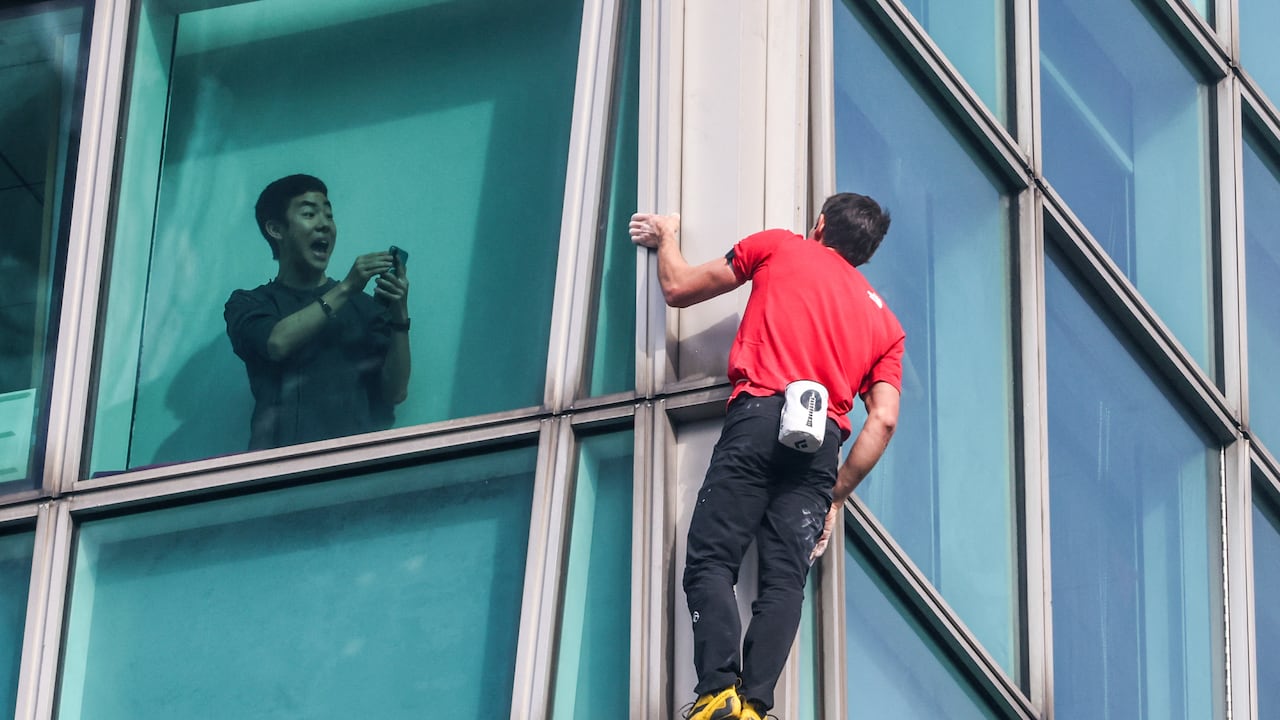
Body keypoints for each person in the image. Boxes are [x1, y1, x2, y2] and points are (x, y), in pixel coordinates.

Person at [630, 193, 904, 720]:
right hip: (820, 448)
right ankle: (755, 709)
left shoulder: (779, 246)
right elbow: (884, 419)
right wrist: (835, 495)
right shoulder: (886, 326)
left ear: (819, 225)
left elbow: (678, 287)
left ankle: (717, 695)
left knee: (712, 559)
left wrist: (666, 236)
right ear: (866, 254)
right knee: (783, 582)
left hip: (758, 417)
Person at [225, 174, 411, 450]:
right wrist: (346, 288)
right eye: (309, 214)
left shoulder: (363, 306)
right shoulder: (249, 303)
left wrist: (399, 316)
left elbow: (395, 392)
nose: (324, 224)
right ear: (276, 229)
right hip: (278, 467)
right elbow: (277, 343)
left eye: (329, 215)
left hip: (353, 463)